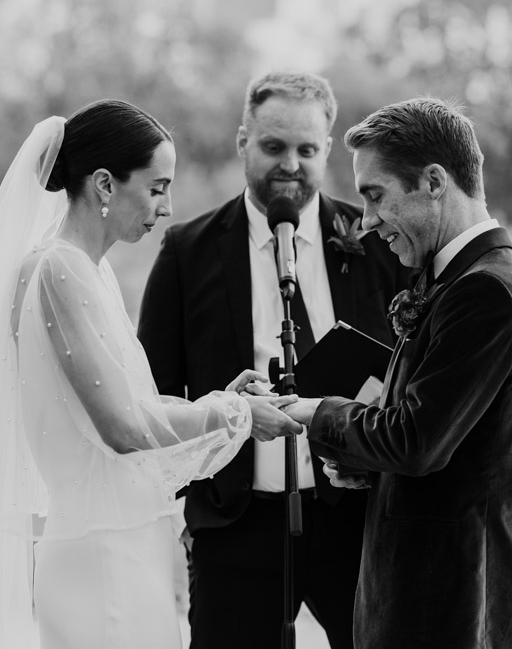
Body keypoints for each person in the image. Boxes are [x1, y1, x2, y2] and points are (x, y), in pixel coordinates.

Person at [0, 99, 303, 649]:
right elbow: (123, 429)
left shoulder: (85, 269)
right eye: (158, 187)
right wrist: (235, 415)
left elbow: (124, 404)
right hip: (102, 553)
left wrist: (214, 400)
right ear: (106, 185)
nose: (166, 206)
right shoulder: (60, 269)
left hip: (121, 541)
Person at [137, 72, 407, 649]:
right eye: (273, 146)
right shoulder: (187, 251)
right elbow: (155, 394)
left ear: (327, 149)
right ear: (243, 143)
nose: (291, 164)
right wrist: (189, 510)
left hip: (356, 520)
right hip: (236, 524)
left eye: (306, 150)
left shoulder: (379, 240)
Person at [284, 98, 512, 648]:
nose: (366, 222)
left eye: (376, 195)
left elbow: (416, 441)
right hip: (426, 598)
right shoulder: (456, 283)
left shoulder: (488, 292)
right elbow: (444, 441)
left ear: (434, 181)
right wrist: (367, 467)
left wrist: (316, 413)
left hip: (458, 605)